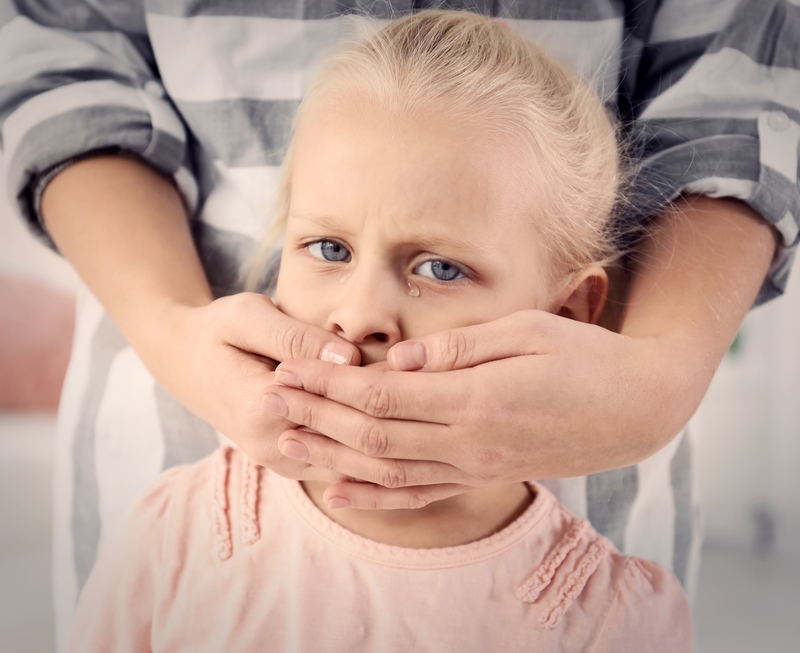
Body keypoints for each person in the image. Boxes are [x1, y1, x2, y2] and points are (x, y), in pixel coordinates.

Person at [0, 1, 793, 649]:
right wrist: (171, 326)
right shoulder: (169, 541)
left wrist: (658, 375)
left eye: (439, 266)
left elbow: (742, 81)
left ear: (570, 310)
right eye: (328, 247)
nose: (361, 313)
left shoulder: (612, 618)